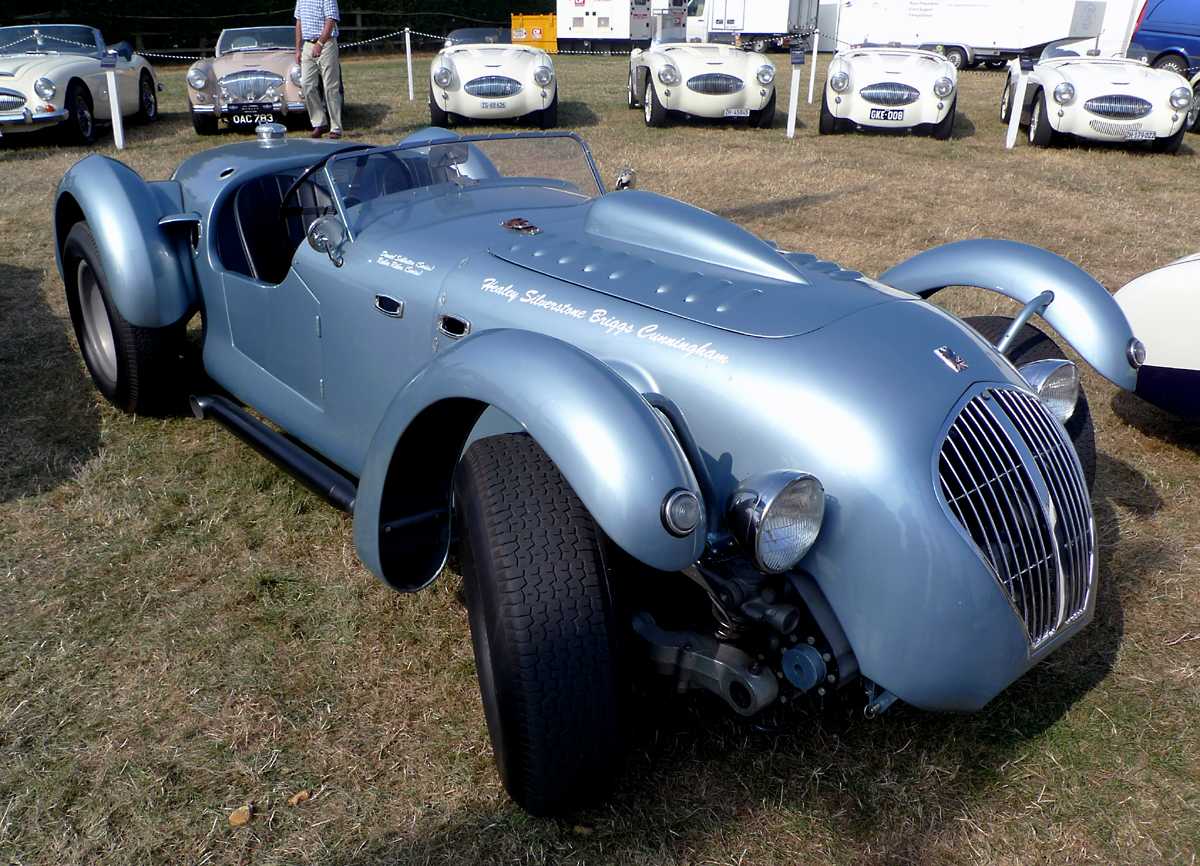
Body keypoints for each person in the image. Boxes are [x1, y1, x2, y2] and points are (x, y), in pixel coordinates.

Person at [294, 0, 343, 138]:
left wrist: (320, 43)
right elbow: (299, 22)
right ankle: (319, 123)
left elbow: (331, 19)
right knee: (306, 84)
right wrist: (298, 49)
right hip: (308, 44)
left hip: (327, 43)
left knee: (330, 86)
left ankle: (336, 128)